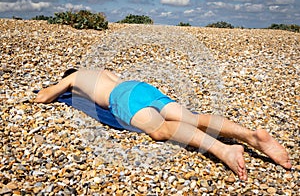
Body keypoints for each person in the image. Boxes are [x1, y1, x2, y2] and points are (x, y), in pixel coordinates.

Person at [34, 68, 292, 180]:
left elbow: (43, 97)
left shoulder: (76, 76)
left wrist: (61, 86)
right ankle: (250, 135)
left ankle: (225, 150)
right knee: (191, 117)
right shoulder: (103, 72)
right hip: (138, 87)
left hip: (121, 98)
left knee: (160, 129)